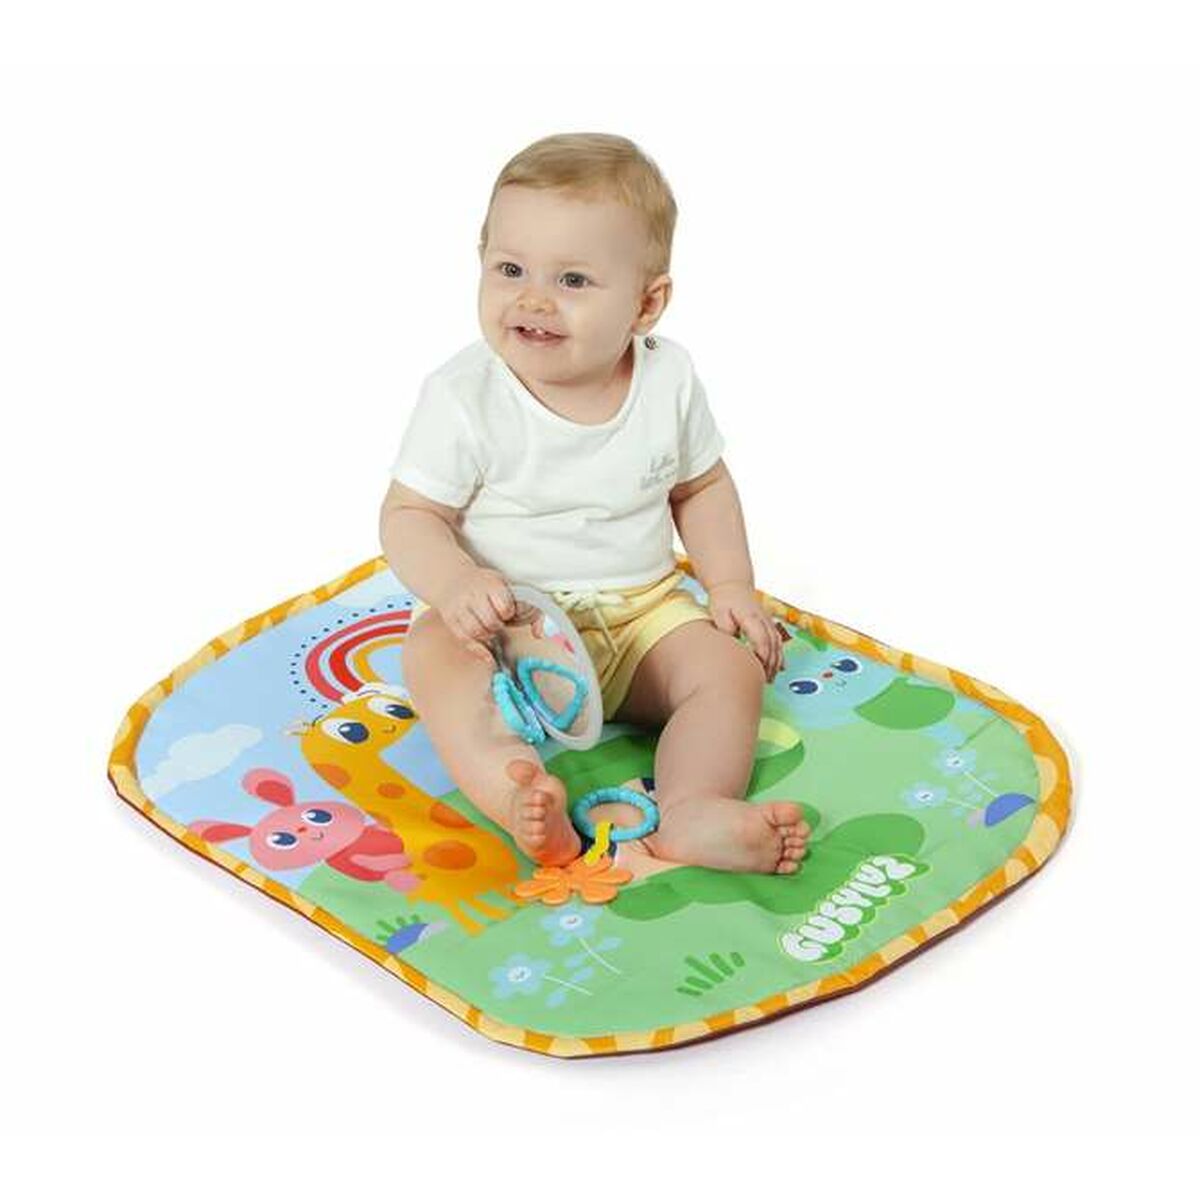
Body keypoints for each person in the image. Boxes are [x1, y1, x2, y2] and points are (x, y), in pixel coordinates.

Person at [379, 132, 808, 875]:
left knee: (728, 674)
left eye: (573, 280)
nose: (533, 299)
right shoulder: (464, 398)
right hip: (504, 629)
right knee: (434, 661)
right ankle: (514, 791)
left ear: (647, 303)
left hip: (641, 617)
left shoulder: (668, 381)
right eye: (509, 269)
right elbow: (410, 515)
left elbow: (701, 486)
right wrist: (454, 585)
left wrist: (732, 585)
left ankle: (692, 808)